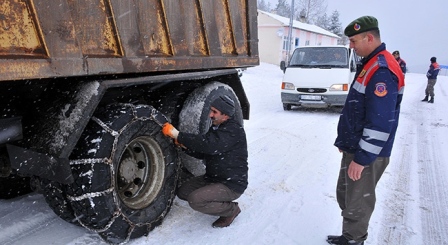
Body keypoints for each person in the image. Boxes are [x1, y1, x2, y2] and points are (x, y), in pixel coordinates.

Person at [327, 16, 405, 245]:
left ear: (369, 38)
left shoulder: (381, 68)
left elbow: (380, 122)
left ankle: (354, 240)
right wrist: (347, 142)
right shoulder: (371, 63)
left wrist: (362, 159)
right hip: (357, 146)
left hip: (368, 153)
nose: (351, 46)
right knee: (348, 195)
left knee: (358, 201)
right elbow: (359, 109)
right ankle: (349, 235)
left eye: (353, 41)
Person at [161, 95, 248, 228]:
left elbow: (210, 145)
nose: (210, 115)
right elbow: (205, 152)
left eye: (214, 112)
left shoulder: (233, 130)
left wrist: (178, 135)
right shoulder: (216, 128)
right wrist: (184, 146)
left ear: (225, 115)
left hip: (231, 184)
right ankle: (213, 200)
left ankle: (231, 210)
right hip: (213, 178)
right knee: (183, 192)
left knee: (195, 200)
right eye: (211, 110)